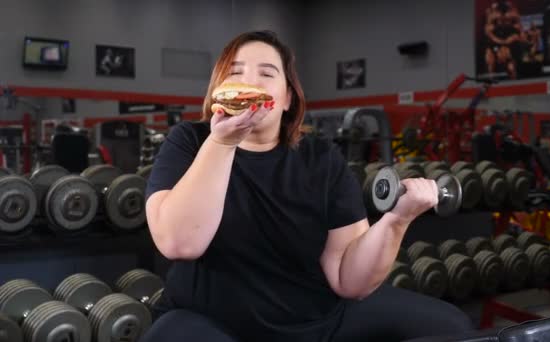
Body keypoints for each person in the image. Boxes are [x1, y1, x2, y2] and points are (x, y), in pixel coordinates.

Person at [141, 30, 475, 342]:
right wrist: (223, 142)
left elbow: (349, 280)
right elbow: (179, 243)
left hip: (313, 317)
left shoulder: (321, 158)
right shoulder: (189, 141)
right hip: (214, 323)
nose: (249, 82)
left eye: (267, 73)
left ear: (287, 99)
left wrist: (397, 219)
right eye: (236, 72)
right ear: (218, 91)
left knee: (452, 326)